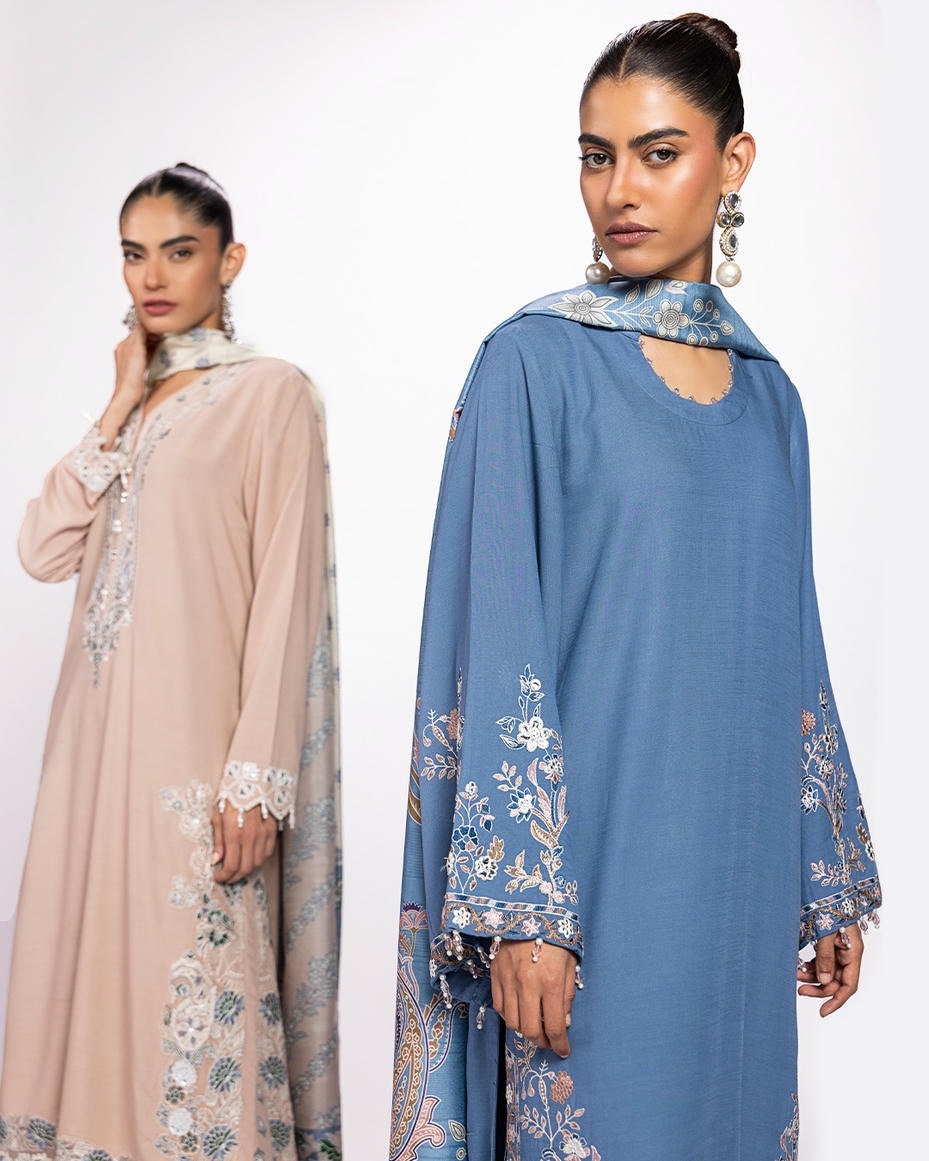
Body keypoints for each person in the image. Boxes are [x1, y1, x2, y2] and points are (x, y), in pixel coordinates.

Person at [391, 14, 881, 1161]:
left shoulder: (771, 399)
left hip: (733, 884)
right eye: (595, 156)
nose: (618, 190)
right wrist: (523, 911)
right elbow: (496, 635)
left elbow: (786, 641)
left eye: (658, 154)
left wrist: (822, 871)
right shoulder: (532, 362)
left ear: (732, 161)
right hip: (589, 897)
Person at [0, 164, 342, 1161]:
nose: (152, 276)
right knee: (88, 998)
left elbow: (285, 592)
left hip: (197, 770)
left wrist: (255, 777)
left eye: (179, 252)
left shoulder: (271, 393)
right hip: (92, 772)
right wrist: (118, 398)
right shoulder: (134, 414)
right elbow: (41, 550)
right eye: (134, 254)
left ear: (229, 262)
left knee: (193, 1020)